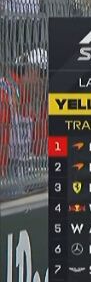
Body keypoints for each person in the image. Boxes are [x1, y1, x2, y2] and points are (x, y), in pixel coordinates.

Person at [0, 49, 46, 183]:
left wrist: (44, 109)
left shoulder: (35, 101)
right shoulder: (4, 95)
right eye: (42, 73)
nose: (46, 79)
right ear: (29, 70)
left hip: (17, 175)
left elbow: (38, 150)